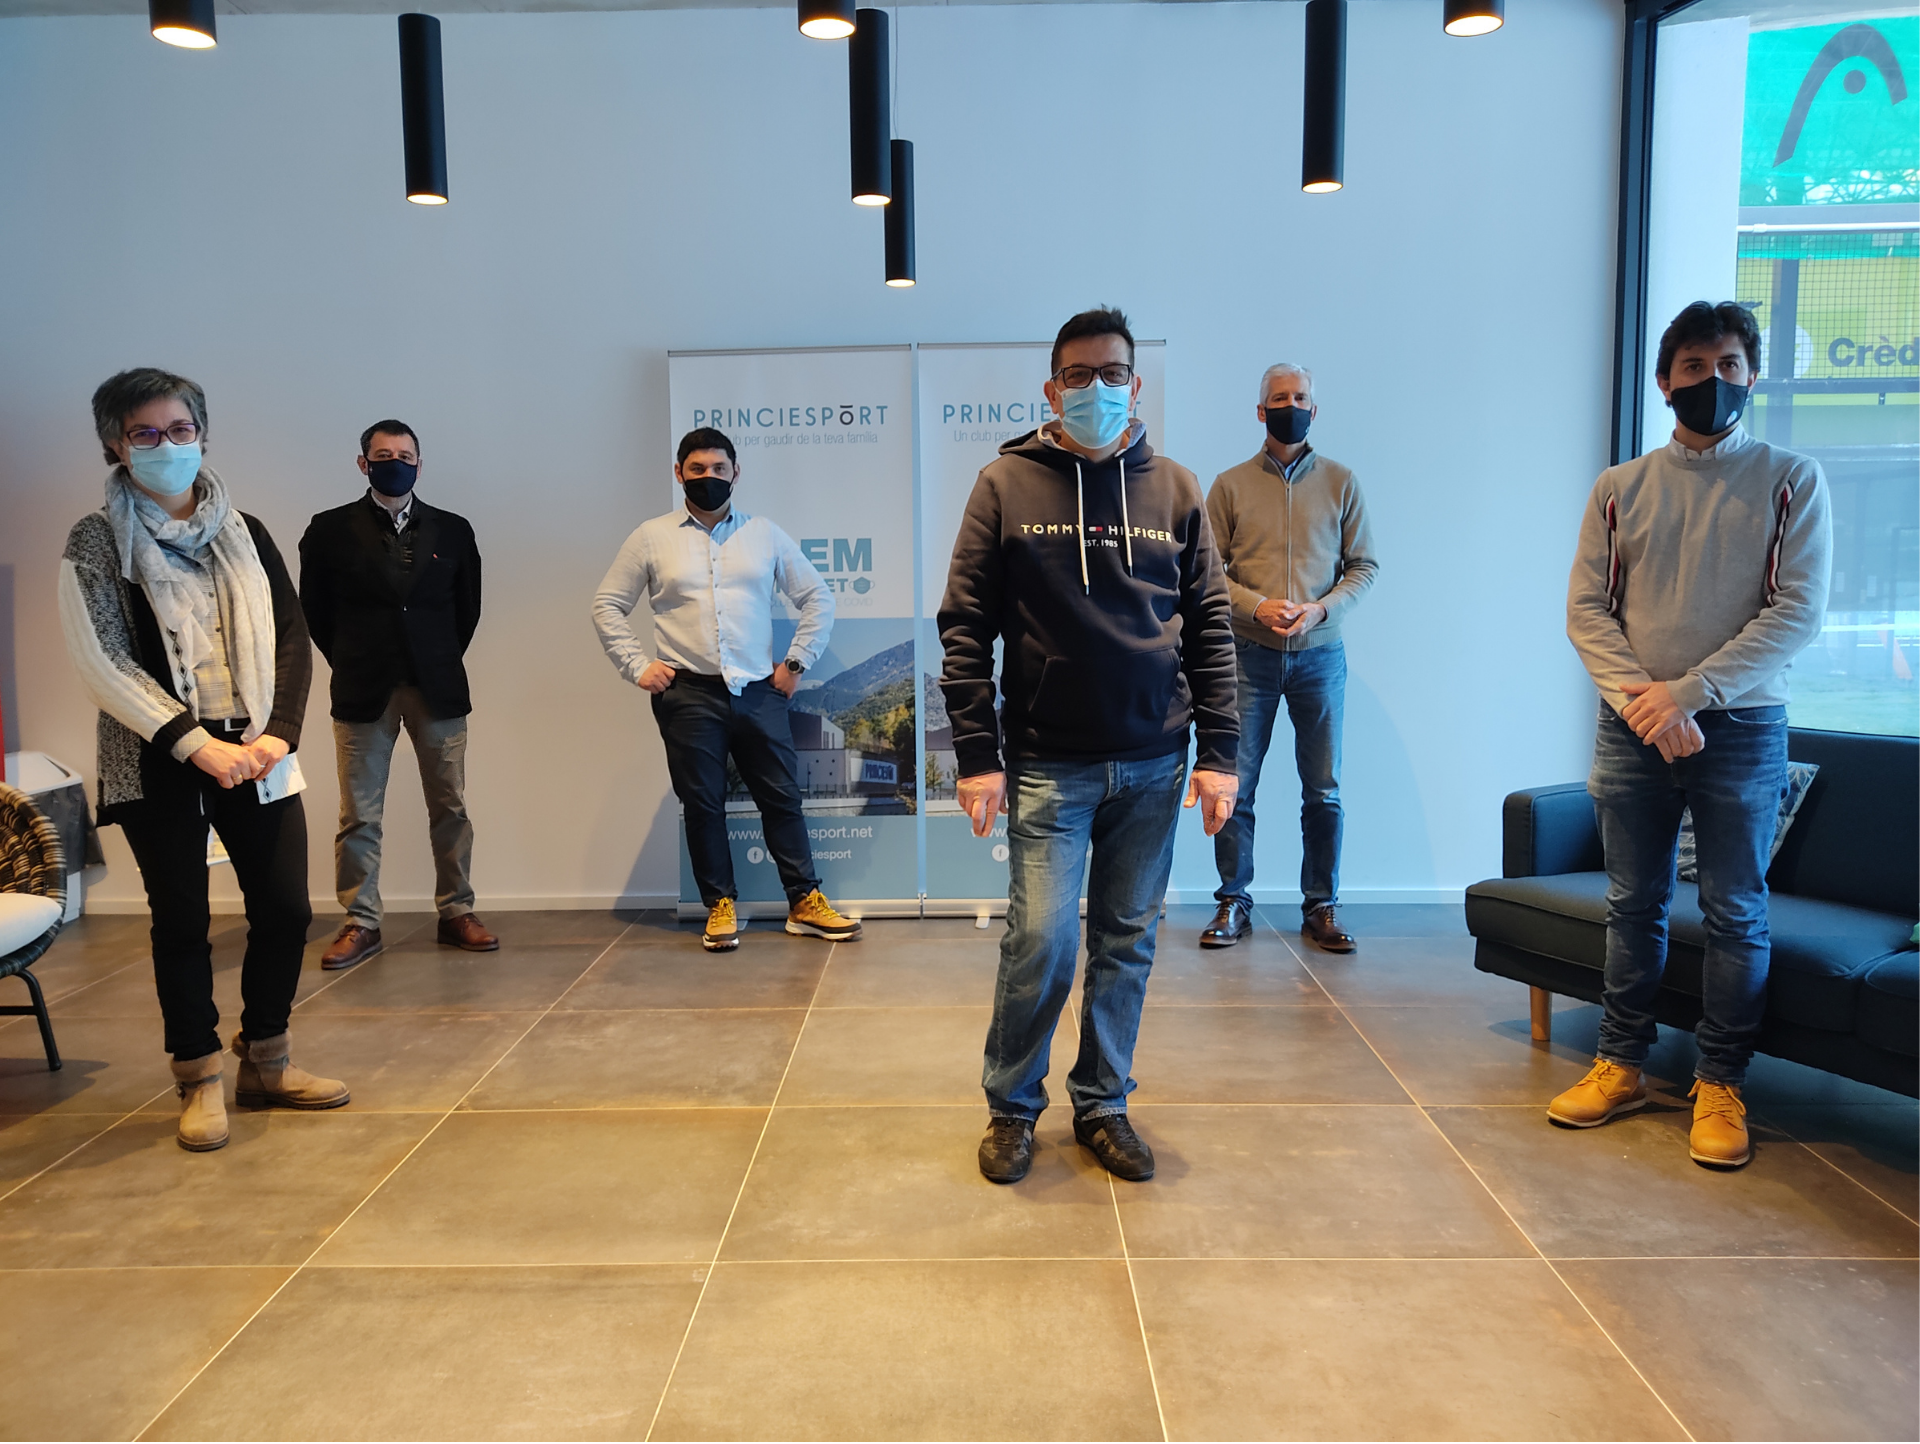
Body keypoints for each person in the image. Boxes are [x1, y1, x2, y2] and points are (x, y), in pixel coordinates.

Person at [940, 306, 1240, 1186]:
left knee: (1126, 940)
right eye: (1078, 375)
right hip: (1048, 762)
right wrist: (977, 755)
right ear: (1052, 388)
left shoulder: (1176, 489)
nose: (1096, 388)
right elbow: (965, 626)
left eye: (1112, 374)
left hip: (1156, 760)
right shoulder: (1005, 484)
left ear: (1135, 385)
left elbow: (1210, 627)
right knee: (1041, 939)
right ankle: (1011, 1105)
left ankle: (1103, 1103)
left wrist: (1220, 754)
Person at [1556, 300, 1832, 1168]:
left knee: (1735, 909)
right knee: (1631, 902)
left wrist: (1689, 695)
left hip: (1743, 728)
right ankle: (1622, 1063)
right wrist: (1647, 704)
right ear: (1664, 381)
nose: (1713, 381)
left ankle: (1720, 1083)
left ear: (1752, 375)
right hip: (1631, 726)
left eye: (1729, 366)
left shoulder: (1792, 479)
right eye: (1694, 367)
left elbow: (1797, 611)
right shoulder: (1619, 488)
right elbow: (1587, 610)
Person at [58, 368, 348, 1152]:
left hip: (257, 750)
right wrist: (199, 746)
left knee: (285, 911)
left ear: (203, 434)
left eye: (180, 429)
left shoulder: (245, 531)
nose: (167, 445)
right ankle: (198, 1077)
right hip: (158, 756)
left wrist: (278, 734)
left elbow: (292, 636)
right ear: (116, 446)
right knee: (183, 921)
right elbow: (104, 662)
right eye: (145, 433)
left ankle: (267, 1060)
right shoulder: (95, 539)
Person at [592, 427, 862, 952]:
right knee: (703, 805)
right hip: (687, 695)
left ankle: (804, 901)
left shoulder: (764, 533)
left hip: (759, 691)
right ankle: (719, 905)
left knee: (782, 798)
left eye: (719, 468)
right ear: (679, 474)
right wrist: (637, 666)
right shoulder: (651, 537)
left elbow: (818, 596)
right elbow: (607, 605)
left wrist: (796, 662)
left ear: (736, 473)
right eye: (697, 469)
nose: (709, 477)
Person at [299, 421, 493, 968]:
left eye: (405, 456)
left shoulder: (453, 530)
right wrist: (355, 656)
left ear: (420, 465)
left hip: (438, 686)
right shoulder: (328, 529)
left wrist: (433, 654)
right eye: (383, 456)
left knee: (450, 806)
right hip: (362, 687)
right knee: (359, 814)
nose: (396, 464)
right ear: (363, 464)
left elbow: (467, 609)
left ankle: (457, 911)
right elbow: (315, 611)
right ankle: (361, 920)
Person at [1201, 363, 1378, 953]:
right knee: (1235, 784)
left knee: (1323, 790)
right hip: (1247, 656)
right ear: (1261, 411)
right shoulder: (1229, 486)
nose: (1291, 406)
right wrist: (1257, 606)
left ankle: (1321, 905)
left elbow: (1364, 567)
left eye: (1300, 397)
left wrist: (1320, 610)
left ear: (1314, 409)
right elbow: (1205, 572)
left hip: (1320, 658)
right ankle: (1233, 901)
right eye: (1280, 398)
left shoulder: (1342, 482)